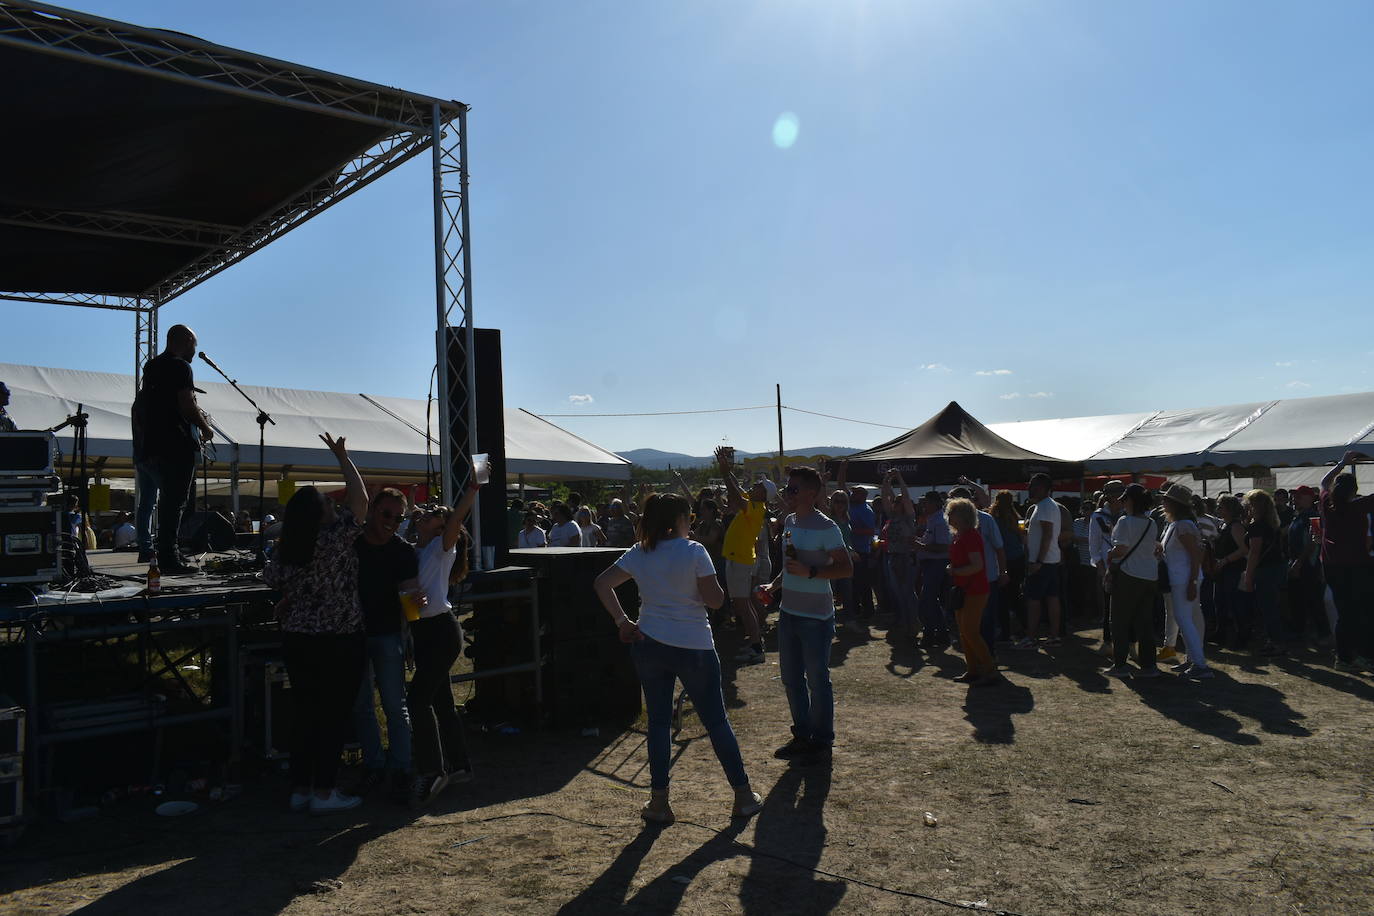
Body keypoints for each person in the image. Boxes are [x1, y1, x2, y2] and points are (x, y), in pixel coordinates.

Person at [593, 492, 763, 824]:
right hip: (694, 645)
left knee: (658, 723)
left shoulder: (640, 552)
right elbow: (715, 601)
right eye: (689, 518)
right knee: (716, 721)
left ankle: (659, 802)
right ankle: (742, 795)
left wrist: (621, 621)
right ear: (679, 520)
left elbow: (602, 583)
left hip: (650, 642)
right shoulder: (695, 551)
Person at [262, 433, 369, 814]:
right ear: (321, 513)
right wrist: (343, 458)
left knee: (305, 714)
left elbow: (276, 582)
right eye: (328, 503)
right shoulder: (334, 539)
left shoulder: (286, 546)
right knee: (334, 716)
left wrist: (293, 598)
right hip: (338, 637)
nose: (334, 506)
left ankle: (301, 789)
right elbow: (361, 502)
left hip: (298, 637)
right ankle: (325, 792)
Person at [766, 466, 851, 767]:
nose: (787, 494)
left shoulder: (827, 527)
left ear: (811, 494)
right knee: (791, 679)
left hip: (816, 617)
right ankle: (802, 736)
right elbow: (791, 562)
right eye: (787, 488)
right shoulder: (789, 521)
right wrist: (774, 585)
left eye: (793, 489)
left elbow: (846, 568)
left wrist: (813, 571)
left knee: (817, 680)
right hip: (788, 612)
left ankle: (822, 741)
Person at [406, 475, 482, 808]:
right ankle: (461, 765)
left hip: (440, 630)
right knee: (441, 703)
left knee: (417, 699)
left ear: (441, 528)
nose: (427, 511)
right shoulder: (415, 549)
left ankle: (432, 771)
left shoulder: (440, 549)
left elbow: (457, 520)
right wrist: (411, 507)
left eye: (435, 512)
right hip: (423, 632)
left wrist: (472, 490)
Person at [350, 488, 421, 799]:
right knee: (362, 706)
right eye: (386, 514)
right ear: (372, 511)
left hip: (389, 633)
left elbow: (409, 594)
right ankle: (374, 765)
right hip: (353, 633)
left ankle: (402, 768)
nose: (391, 521)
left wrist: (415, 614)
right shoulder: (351, 544)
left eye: (398, 517)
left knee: (395, 704)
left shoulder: (403, 550)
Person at [131, 325, 214, 571]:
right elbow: (186, 404)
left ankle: (163, 553)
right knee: (175, 503)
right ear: (186, 340)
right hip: (176, 444)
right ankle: (170, 558)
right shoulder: (181, 367)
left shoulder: (152, 366)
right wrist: (205, 428)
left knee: (162, 502)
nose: (194, 351)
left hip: (152, 445)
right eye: (194, 345)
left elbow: (142, 405)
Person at [716, 446, 772, 665]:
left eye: (760, 485)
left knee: (742, 605)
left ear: (764, 494)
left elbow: (733, 491)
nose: (756, 484)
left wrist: (724, 471)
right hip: (738, 558)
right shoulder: (754, 502)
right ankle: (755, 645)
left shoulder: (756, 508)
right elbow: (736, 487)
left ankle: (757, 647)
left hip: (740, 559)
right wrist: (727, 469)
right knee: (744, 604)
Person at [1319, 451, 1374, 671]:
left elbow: (1324, 481)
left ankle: (1344, 657)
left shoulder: (1326, 505)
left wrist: (1342, 463)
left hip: (1332, 566)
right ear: (1355, 490)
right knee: (1360, 612)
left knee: (1345, 612)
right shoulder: (1359, 507)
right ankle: (1356, 656)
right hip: (1357, 565)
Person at [1101, 484, 1162, 678]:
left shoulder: (1125, 521)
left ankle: (1120, 665)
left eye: (1124, 498)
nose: (1121, 501)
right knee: (1144, 623)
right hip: (1150, 576)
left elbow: (1121, 549)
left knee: (1119, 621)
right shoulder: (1151, 522)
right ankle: (1149, 665)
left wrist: (1110, 554)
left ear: (1131, 501)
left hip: (1128, 575)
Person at [1158, 484, 1211, 678]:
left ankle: (1199, 664)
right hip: (1184, 577)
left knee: (1184, 619)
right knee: (1192, 618)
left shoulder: (1182, 525)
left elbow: (1196, 554)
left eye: (1166, 499)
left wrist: (1192, 581)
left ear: (1175, 504)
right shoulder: (1179, 524)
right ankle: (1193, 660)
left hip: (1184, 578)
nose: (1162, 502)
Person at [946, 497, 998, 685]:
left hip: (975, 589)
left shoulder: (970, 536)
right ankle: (973, 670)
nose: (949, 516)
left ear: (964, 516)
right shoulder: (959, 536)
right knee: (964, 632)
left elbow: (977, 565)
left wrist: (955, 571)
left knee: (971, 631)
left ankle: (990, 670)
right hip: (963, 588)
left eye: (952, 512)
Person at [1239, 489, 1287, 656]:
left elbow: (1254, 552)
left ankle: (1276, 642)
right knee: (1271, 606)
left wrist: (1249, 576)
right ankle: (1273, 640)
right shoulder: (1272, 523)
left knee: (1268, 608)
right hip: (1276, 567)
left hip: (1265, 569)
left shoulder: (1256, 526)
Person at [1020, 472, 1063, 648]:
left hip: (1042, 562)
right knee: (1052, 598)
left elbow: (1047, 534)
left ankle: (1031, 637)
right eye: (1030, 485)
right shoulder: (1046, 505)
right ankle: (1053, 636)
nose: (1030, 488)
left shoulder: (1045, 506)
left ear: (1045, 488)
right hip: (1051, 560)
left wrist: (1037, 561)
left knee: (1034, 600)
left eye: (1034, 485)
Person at [879, 469, 919, 636]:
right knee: (898, 592)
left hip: (905, 557)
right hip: (892, 557)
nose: (896, 504)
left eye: (899, 502)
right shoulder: (892, 516)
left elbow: (906, 496)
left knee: (907, 592)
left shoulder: (908, 517)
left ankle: (913, 623)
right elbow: (884, 496)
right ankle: (905, 621)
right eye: (896, 502)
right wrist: (887, 479)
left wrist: (900, 478)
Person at [1285, 486, 1326, 643]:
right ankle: (1299, 630)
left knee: (1313, 600)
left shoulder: (1314, 517)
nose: (1295, 499)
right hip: (1297, 563)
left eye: (1300, 496)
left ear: (1310, 498)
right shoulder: (1298, 516)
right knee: (1296, 599)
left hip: (1308, 565)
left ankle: (1322, 632)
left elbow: (1314, 542)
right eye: (1295, 496)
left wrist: (1299, 562)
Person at [1089, 481, 1125, 654]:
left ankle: (1127, 643)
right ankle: (1108, 641)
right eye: (1119, 495)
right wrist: (1101, 568)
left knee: (1127, 606)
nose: (1122, 499)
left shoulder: (1129, 515)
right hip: (1108, 566)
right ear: (1110, 497)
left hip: (1127, 566)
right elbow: (1094, 545)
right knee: (1108, 606)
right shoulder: (1098, 516)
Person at [914, 489, 952, 648]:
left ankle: (930, 633)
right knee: (931, 601)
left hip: (937, 563)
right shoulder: (933, 519)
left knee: (927, 601)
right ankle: (941, 633)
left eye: (927, 502)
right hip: (930, 563)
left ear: (936, 503)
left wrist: (920, 545)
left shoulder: (940, 520)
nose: (924, 505)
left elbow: (944, 547)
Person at [989, 491, 1025, 644]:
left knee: (1002, 599)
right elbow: (1023, 538)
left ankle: (1005, 632)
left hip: (1005, 561)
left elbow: (997, 545)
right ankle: (1024, 628)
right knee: (1016, 597)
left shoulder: (995, 521)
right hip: (1018, 559)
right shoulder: (1017, 519)